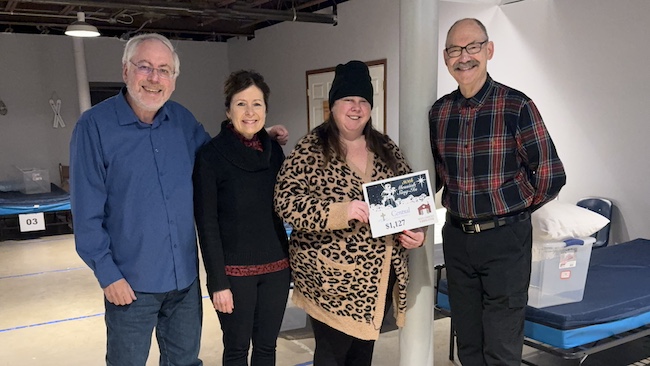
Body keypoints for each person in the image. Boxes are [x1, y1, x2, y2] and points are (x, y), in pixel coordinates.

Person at [69, 33, 287, 366]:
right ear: (126, 70)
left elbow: (223, 156)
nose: (154, 78)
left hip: (183, 283)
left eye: (164, 70)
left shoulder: (182, 122)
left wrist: (259, 137)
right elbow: (85, 213)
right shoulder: (94, 127)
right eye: (145, 67)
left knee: (185, 362)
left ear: (174, 79)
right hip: (130, 284)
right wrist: (107, 274)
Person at [429, 18, 566, 365]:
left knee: (502, 348)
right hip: (458, 239)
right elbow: (437, 176)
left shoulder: (516, 106)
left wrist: (510, 210)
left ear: (488, 50)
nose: (464, 57)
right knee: (469, 346)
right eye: (455, 50)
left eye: (472, 46)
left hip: (506, 241)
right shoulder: (439, 113)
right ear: (446, 58)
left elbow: (551, 175)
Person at [274, 60, 425, 366]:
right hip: (329, 282)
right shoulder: (311, 149)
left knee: (361, 358)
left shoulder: (386, 148)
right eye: (348, 100)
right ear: (333, 105)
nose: (356, 108)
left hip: (378, 282)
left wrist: (416, 235)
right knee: (332, 358)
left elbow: (411, 203)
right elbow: (285, 202)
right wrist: (341, 211)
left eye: (363, 101)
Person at [192, 70, 290, 366]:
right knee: (236, 350)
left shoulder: (274, 152)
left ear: (266, 109)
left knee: (267, 348)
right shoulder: (210, 156)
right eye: (241, 104)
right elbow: (206, 224)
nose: (250, 112)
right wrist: (218, 282)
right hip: (234, 275)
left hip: (277, 268)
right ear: (227, 109)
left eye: (257, 104)